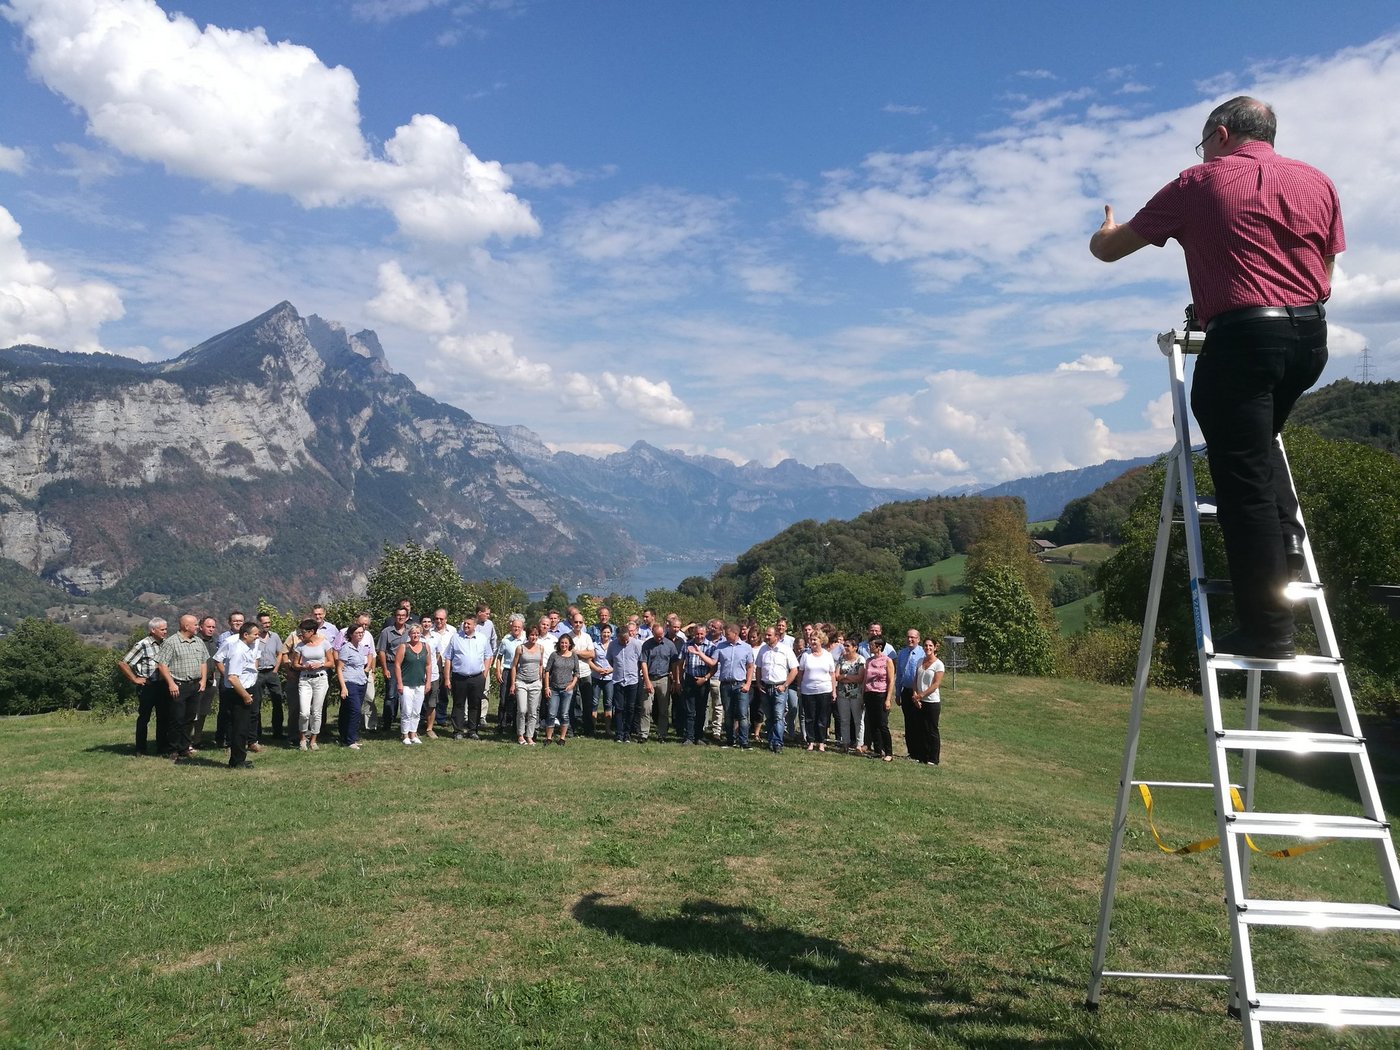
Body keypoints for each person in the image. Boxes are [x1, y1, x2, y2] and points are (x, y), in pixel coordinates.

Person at [1090, 96, 1341, 659]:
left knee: (1241, 484)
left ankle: (1270, 630)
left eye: (1204, 142)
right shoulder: (1318, 182)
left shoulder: (1198, 182)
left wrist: (1103, 229)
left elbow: (1110, 251)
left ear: (1221, 135)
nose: (1202, 152)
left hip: (1243, 339)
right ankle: (1288, 542)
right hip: (1309, 338)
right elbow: (1325, 272)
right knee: (1258, 443)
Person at [156, 613, 207, 761]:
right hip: (179, 686)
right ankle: (173, 749)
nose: (197, 627)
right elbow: (162, 665)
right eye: (195, 625)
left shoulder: (198, 641)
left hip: (195, 685)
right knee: (176, 718)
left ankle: (184, 747)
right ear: (186, 626)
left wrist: (203, 680)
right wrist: (171, 683)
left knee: (190, 718)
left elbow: (203, 661)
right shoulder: (171, 642)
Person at [121, 617, 170, 757]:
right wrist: (134, 679)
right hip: (148, 686)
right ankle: (140, 748)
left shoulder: (166, 644)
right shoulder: (142, 645)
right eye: (162, 629)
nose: (165, 632)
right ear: (153, 630)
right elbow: (124, 663)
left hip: (162, 685)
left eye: (166, 629)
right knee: (144, 718)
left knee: (163, 717)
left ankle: (162, 748)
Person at [220, 621, 261, 769]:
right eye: (255, 634)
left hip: (245, 689)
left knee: (243, 727)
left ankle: (239, 758)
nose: (257, 637)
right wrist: (245, 695)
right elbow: (232, 678)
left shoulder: (246, 648)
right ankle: (237, 761)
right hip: (239, 692)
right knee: (239, 728)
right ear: (245, 635)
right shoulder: (238, 651)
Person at [290, 619, 336, 751]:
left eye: (303, 632)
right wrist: (304, 666)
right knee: (304, 712)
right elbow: (295, 664)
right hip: (305, 680)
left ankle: (314, 739)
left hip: (320, 679)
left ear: (311, 631)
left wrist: (320, 664)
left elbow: (331, 662)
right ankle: (302, 738)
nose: (301, 634)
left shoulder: (324, 643)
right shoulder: (300, 646)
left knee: (316, 711)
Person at [443, 619, 491, 740]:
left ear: (475, 625)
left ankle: (472, 730)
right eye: (464, 623)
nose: (465, 625)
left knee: (475, 704)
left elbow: (488, 656)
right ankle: (458, 731)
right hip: (459, 677)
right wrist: (447, 678)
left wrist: (484, 674)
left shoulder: (482, 638)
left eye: (468, 623)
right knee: (458, 704)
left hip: (477, 677)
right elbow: (448, 658)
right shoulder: (456, 638)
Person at [754, 626, 798, 753]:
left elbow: (794, 670)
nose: (766, 637)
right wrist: (759, 683)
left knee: (778, 716)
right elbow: (759, 668)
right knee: (769, 716)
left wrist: (785, 685)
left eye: (769, 635)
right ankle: (771, 740)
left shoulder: (786, 650)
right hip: (766, 687)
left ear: (777, 637)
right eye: (766, 635)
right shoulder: (763, 649)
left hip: (779, 687)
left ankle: (777, 742)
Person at [712, 622, 755, 750]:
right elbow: (713, 662)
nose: (725, 636)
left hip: (740, 685)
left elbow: (750, 667)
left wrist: (748, 684)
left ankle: (744, 741)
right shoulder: (721, 646)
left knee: (742, 714)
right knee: (728, 713)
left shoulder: (746, 647)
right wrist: (699, 654)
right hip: (725, 685)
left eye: (728, 634)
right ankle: (730, 740)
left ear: (735, 634)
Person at [796, 630, 837, 753]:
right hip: (808, 691)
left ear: (821, 641)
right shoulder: (805, 655)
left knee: (822, 717)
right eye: (811, 639)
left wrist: (834, 691)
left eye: (815, 639)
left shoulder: (827, 655)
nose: (812, 642)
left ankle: (821, 742)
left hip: (824, 690)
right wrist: (799, 687)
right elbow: (800, 673)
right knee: (809, 717)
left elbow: (832, 674)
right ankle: (811, 741)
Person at [639, 621, 679, 743]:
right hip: (650, 678)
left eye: (661, 635)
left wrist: (675, 681)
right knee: (646, 708)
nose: (660, 638)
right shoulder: (647, 645)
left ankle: (662, 734)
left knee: (663, 709)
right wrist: (647, 681)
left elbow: (674, 664)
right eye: (657, 636)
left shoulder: (670, 645)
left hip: (664, 679)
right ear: (653, 633)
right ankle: (644, 734)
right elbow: (643, 663)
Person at [336, 622, 374, 750]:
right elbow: (339, 668)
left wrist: (366, 671)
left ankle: (348, 737)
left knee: (350, 711)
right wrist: (343, 687)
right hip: (349, 681)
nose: (360, 635)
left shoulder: (361, 647)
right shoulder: (346, 648)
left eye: (362, 633)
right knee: (355, 710)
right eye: (357, 633)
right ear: (351, 634)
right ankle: (350, 740)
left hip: (361, 681)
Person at [909, 638, 946, 765]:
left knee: (931, 730)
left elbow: (936, 684)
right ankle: (922, 756)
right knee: (920, 729)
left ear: (935, 647)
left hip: (932, 702)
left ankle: (933, 758)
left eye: (930, 646)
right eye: (925, 645)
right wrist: (915, 695)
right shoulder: (920, 661)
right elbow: (915, 679)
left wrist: (921, 695)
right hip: (919, 701)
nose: (928, 648)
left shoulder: (939, 664)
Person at [606, 622, 643, 744]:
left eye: (627, 639)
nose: (626, 642)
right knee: (619, 708)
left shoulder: (636, 644)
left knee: (630, 708)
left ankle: (627, 733)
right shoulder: (612, 645)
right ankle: (619, 733)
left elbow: (641, 661)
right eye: (623, 640)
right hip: (618, 680)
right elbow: (610, 660)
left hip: (632, 680)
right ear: (618, 637)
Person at [394, 624, 430, 746]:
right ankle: (405, 734)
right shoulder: (404, 647)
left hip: (420, 683)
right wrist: (399, 683)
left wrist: (428, 681)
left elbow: (428, 665)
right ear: (409, 634)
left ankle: (413, 734)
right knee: (407, 710)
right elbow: (397, 665)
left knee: (416, 711)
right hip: (406, 684)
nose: (416, 635)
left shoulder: (425, 646)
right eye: (413, 633)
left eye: (418, 633)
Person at [510, 626, 546, 745]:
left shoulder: (541, 648)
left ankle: (529, 736)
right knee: (522, 710)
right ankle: (520, 735)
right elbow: (514, 666)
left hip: (535, 683)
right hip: (521, 682)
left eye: (536, 635)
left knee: (533, 711)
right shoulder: (520, 648)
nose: (533, 637)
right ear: (527, 635)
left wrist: (540, 680)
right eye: (532, 635)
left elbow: (540, 664)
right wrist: (513, 684)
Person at [377, 606, 410, 734]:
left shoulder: (411, 630)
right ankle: (387, 723)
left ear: (407, 617)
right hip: (391, 664)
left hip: (407, 665)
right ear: (395, 616)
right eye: (398, 615)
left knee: (406, 694)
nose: (400, 617)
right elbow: (381, 651)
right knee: (391, 695)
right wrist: (385, 669)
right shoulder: (386, 632)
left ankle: (406, 724)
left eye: (403, 615)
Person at [253, 612, 286, 741]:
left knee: (277, 701)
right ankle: (256, 733)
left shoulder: (274, 636)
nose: (267, 625)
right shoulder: (254, 638)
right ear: (259, 623)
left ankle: (278, 732)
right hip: (258, 673)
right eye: (264, 623)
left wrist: (276, 669)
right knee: (256, 703)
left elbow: (280, 653)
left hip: (272, 672)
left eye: (268, 622)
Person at [861, 639, 895, 762]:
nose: (869, 647)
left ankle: (889, 752)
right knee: (872, 723)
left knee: (882, 724)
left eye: (872, 645)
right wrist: (863, 695)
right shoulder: (869, 661)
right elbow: (865, 679)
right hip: (869, 693)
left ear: (879, 647)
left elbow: (891, 681)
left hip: (881, 694)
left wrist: (888, 699)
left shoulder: (887, 660)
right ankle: (877, 750)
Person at [543, 634, 580, 746]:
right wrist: (547, 687)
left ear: (570, 644)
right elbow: (547, 671)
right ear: (559, 644)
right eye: (562, 643)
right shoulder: (554, 655)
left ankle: (562, 738)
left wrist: (572, 684)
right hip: (554, 689)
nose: (564, 645)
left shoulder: (573, 656)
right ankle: (549, 738)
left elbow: (577, 672)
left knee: (564, 714)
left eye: (566, 643)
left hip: (567, 690)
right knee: (551, 714)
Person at [494, 614, 527, 737]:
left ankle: (515, 726)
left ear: (522, 628)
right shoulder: (505, 641)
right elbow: (499, 657)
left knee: (518, 701)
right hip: (507, 671)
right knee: (504, 699)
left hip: (521, 671)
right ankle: (501, 725)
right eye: (514, 627)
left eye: (519, 627)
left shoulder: (525, 641)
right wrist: (498, 671)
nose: (516, 629)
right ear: (511, 627)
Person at [895, 629, 925, 761]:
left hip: (918, 692)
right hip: (906, 691)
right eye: (908, 637)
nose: (910, 639)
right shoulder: (902, 653)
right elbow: (899, 675)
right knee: (908, 723)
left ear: (918, 639)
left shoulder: (923, 654)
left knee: (918, 722)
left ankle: (920, 752)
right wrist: (897, 693)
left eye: (913, 637)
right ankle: (911, 752)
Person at [834, 637, 866, 753]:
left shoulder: (860, 660)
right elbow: (837, 676)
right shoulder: (841, 659)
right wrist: (849, 678)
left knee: (858, 720)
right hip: (842, 694)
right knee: (844, 719)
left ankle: (859, 744)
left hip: (856, 694)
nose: (845, 648)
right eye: (845, 645)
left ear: (855, 647)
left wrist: (845, 677)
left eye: (848, 646)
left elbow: (860, 678)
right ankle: (845, 743)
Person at [567, 612, 597, 737]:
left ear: (583, 623)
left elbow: (592, 654)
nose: (578, 624)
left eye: (580, 622)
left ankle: (588, 730)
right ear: (572, 622)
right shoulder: (567, 637)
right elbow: (566, 654)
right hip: (571, 673)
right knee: (571, 702)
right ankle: (571, 729)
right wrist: (584, 653)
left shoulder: (587, 637)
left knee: (587, 702)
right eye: (576, 622)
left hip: (585, 673)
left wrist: (577, 652)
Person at [591, 624, 615, 737]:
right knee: (594, 702)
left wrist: (610, 670)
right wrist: (597, 669)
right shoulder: (594, 645)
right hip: (596, 677)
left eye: (608, 632)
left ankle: (608, 729)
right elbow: (590, 660)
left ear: (611, 633)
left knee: (608, 703)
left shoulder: (614, 645)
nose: (606, 634)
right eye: (604, 632)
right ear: (600, 633)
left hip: (610, 678)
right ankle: (593, 728)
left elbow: (618, 661)